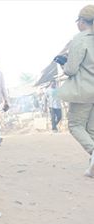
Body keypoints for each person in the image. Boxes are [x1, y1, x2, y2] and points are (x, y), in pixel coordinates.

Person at [56, 5, 94, 177]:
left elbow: (71, 70)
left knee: (75, 125)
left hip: (85, 91)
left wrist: (63, 62)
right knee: (91, 129)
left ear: (82, 21)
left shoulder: (80, 38)